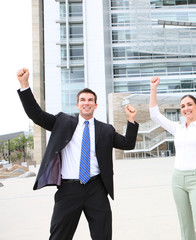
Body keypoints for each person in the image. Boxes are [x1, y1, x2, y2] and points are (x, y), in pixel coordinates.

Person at [16, 68, 139, 240]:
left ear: (96, 105)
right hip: (68, 190)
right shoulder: (62, 122)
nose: (86, 103)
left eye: (90, 100)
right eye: (82, 100)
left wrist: (131, 120)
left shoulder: (106, 130)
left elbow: (128, 144)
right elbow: (36, 115)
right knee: (59, 236)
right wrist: (24, 85)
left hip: (96, 189)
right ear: (77, 105)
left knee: (103, 236)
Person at [149, 64, 196, 240]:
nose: (186, 108)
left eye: (190, 104)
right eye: (183, 106)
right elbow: (155, 115)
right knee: (186, 230)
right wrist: (153, 88)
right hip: (177, 180)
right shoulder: (177, 128)